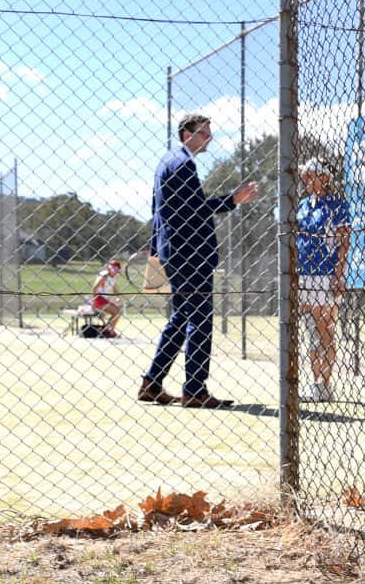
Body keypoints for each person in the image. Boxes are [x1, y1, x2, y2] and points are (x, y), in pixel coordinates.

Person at [139, 113, 258, 408]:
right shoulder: (182, 165)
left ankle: (151, 383)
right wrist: (233, 200)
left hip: (175, 253)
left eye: (209, 133)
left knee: (181, 318)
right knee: (200, 319)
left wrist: (157, 249)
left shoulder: (168, 162)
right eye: (203, 133)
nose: (209, 138)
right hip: (190, 255)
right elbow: (196, 209)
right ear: (186, 133)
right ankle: (194, 390)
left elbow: (159, 210)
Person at [296, 157, 351, 402]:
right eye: (304, 176)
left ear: (325, 178)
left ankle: (323, 383)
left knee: (324, 328)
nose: (306, 180)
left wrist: (339, 276)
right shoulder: (303, 204)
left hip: (325, 274)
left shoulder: (336, 205)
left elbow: (343, 243)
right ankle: (314, 381)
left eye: (311, 175)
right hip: (304, 274)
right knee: (310, 329)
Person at [89, 259, 124, 337]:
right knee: (117, 312)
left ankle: (107, 330)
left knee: (116, 312)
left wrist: (119, 297)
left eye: (116, 269)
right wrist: (93, 303)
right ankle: (109, 331)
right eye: (112, 268)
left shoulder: (115, 277)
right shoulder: (104, 275)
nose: (114, 270)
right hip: (98, 298)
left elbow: (114, 288)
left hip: (105, 299)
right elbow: (94, 288)